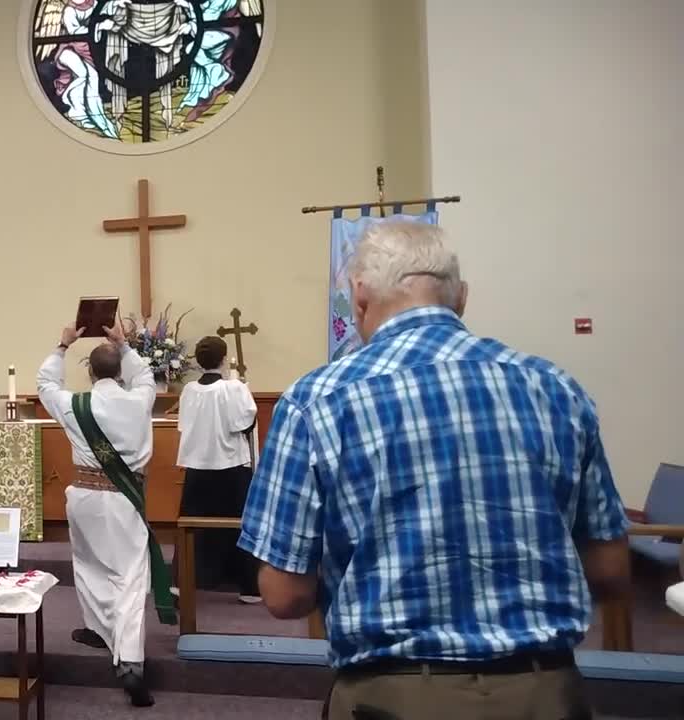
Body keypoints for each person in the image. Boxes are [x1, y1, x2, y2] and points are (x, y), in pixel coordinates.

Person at [238, 221, 629, 720]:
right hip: (544, 691)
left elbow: (285, 594)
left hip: (391, 697)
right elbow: (611, 571)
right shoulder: (555, 388)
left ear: (359, 296)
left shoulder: (316, 401)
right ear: (460, 298)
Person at [37, 320, 176, 708]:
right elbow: (146, 375)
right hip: (121, 498)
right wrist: (125, 345)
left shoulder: (74, 404)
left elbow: (46, 385)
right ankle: (129, 662)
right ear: (118, 372)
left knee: (89, 563)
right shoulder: (140, 398)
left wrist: (62, 345)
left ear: (91, 372)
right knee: (129, 577)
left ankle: (99, 629)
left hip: (83, 496)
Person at [174, 335, 260, 603]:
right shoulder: (234, 389)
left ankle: (182, 582)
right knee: (240, 525)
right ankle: (248, 587)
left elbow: (184, 427)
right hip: (231, 466)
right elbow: (245, 423)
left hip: (198, 467)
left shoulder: (188, 390)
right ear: (224, 360)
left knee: (192, 525)